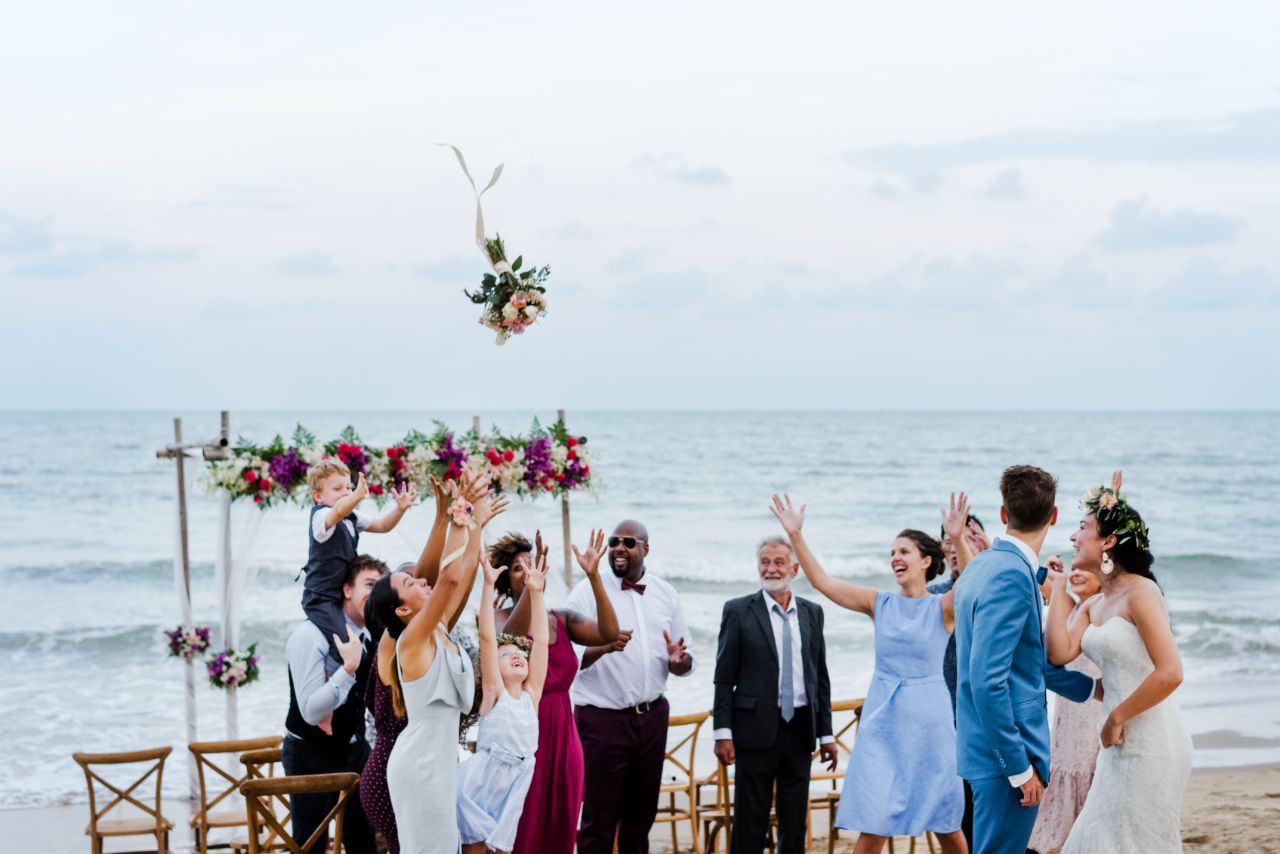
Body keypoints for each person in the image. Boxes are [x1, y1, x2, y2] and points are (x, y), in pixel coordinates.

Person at [770, 494, 966, 854]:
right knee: (875, 821)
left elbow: (971, 586)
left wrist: (959, 539)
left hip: (929, 723)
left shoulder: (942, 608)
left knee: (945, 821)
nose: (895, 558)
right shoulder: (879, 603)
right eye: (892, 552)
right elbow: (823, 582)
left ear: (925, 561)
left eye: (904, 552)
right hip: (883, 721)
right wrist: (796, 536)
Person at [953, 466, 1100, 854]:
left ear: (1003, 514)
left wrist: (1093, 688)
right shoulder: (1012, 577)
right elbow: (987, 681)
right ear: (1053, 516)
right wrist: (1018, 768)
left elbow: (1022, 663)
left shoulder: (980, 567)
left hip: (982, 744)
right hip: (1006, 756)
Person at [1047, 472, 1191, 853]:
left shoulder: (1142, 592)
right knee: (1095, 839)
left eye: (1082, 528)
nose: (1072, 537)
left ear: (1109, 542)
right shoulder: (1094, 604)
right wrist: (1059, 587)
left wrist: (1115, 717)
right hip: (1116, 745)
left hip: (1151, 741)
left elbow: (1171, 673)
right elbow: (1058, 654)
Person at [372, 471, 505, 854]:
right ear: (401, 609)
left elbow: (460, 575)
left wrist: (476, 525)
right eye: (411, 583)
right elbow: (446, 580)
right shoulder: (409, 642)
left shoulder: (439, 628)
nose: (421, 580)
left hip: (441, 763)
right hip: (419, 768)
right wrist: (458, 509)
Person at [567, 520, 695, 854]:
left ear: (645, 549)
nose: (619, 548)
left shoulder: (666, 593)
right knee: (598, 819)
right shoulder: (586, 591)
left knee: (640, 819)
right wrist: (605, 646)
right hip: (602, 719)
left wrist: (678, 660)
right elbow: (568, 659)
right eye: (614, 541)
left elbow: (685, 661)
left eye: (628, 542)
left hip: (652, 718)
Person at [488, 529, 620, 854]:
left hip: (565, 736)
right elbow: (510, 640)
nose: (530, 571)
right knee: (523, 830)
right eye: (518, 568)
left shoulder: (562, 618)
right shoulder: (497, 619)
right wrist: (532, 595)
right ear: (507, 581)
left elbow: (609, 632)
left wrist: (593, 577)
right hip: (522, 735)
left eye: (532, 563)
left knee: (562, 828)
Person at [712, 535, 838, 854]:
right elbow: (724, 678)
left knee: (794, 820)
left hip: (799, 730)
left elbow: (819, 679)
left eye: (779, 562)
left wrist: (826, 734)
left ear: (794, 568)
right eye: (765, 563)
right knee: (749, 820)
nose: (771, 569)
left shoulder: (813, 613)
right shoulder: (738, 611)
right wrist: (723, 733)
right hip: (754, 730)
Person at [282, 554, 388, 854]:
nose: (375, 592)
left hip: (355, 752)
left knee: (365, 843)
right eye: (369, 584)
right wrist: (348, 669)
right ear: (347, 590)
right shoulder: (310, 635)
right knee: (311, 847)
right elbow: (311, 711)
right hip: (309, 756)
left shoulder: (372, 636)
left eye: (381, 586)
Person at [457, 550, 550, 854]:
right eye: (506, 654)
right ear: (493, 669)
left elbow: (540, 642)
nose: (517, 656)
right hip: (481, 782)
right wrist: (486, 585)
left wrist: (536, 594)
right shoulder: (494, 694)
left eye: (520, 654)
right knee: (475, 846)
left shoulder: (530, 696)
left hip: (517, 781)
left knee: (504, 849)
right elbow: (486, 638)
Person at [303, 458, 417, 672]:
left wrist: (400, 509)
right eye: (337, 488)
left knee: (380, 629)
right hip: (322, 599)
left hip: (343, 595)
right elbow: (335, 513)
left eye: (348, 487)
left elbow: (383, 525)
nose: (345, 492)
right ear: (318, 496)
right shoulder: (320, 518)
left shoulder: (352, 516)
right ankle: (331, 684)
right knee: (345, 643)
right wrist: (355, 496)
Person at [1027, 564, 1102, 853]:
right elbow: (1041, 580)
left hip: (1091, 714)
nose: (1076, 572)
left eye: (1086, 568)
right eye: (1074, 567)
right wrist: (1051, 571)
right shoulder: (1071, 607)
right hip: (1066, 717)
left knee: (1084, 777)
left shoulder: (1101, 613)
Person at [928, 493, 987, 849]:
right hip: (943, 719)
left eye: (962, 540)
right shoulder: (932, 596)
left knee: (988, 814)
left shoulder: (991, 591)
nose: (954, 548)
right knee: (955, 813)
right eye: (948, 541)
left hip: (985, 719)